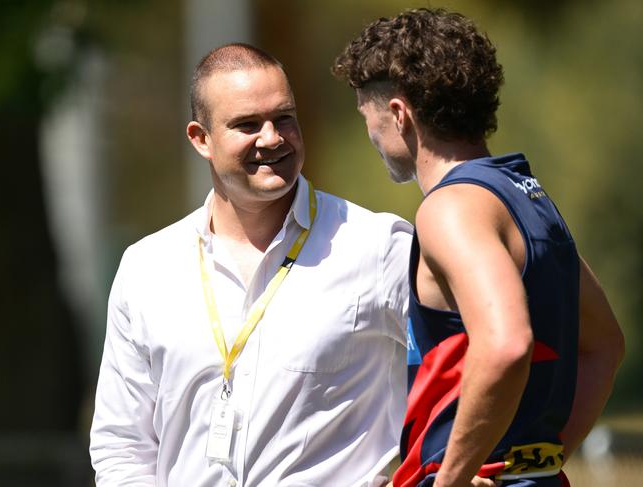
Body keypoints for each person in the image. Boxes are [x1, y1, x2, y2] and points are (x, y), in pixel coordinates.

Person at [89, 43, 412, 486]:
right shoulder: (146, 267)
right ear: (200, 139)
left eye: (284, 118)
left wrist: (449, 468)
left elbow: (473, 358)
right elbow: (121, 446)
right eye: (246, 124)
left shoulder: (378, 246)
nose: (272, 138)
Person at [332, 8, 625, 487]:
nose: (373, 137)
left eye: (370, 118)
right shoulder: (527, 197)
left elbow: (507, 345)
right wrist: (535, 463)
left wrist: (451, 478)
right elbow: (605, 345)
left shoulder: (450, 210)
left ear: (400, 115)